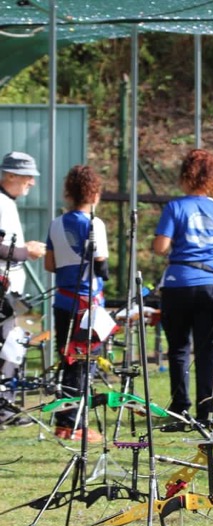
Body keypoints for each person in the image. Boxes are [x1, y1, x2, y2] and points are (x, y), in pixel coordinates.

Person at [153, 149, 213, 428]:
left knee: (179, 349)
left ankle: (180, 409)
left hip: (177, 284)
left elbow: (160, 247)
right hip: (210, 286)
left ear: (185, 176)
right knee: (208, 350)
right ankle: (205, 411)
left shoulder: (174, 207)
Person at [43, 165, 108, 442]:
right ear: (95, 192)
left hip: (62, 301)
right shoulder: (95, 224)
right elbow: (101, 264)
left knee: (67, 360)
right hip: (87, 304)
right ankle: (75, 425)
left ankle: (64, 421)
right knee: (83, 362)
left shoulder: (56, 223)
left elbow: (49, 264)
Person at [0, 151, 47, 427]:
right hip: (5, 289)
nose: (32, 182)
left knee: (31, 331)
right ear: (11, 175)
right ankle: (4, 407)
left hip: (13, 287)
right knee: (15, 340)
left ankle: (10, 401)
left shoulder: (8, 201)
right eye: (28, 177)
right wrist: (25, 251)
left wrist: (22, 249)